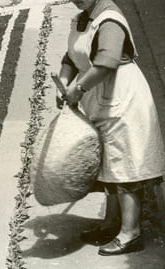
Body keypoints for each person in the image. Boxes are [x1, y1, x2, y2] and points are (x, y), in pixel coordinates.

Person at [58, 0, 165, 255]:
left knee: (125, 164)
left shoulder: (110, 20)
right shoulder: (83, 17)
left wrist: (79, 88)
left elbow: (107, 62)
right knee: (109, 164)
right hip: (101, 98)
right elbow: (72, 57)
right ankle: (111, 222)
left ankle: (130, 232)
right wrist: (64, 82)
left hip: (123, 97)